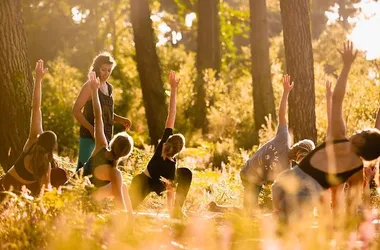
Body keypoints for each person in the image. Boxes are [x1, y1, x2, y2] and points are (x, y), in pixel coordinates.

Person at [271, 42, 380, 223]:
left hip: (284, 182)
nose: (357, 130)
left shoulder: (339, 138)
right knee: (290, 230)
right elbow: (346, 204)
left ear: (361, 141)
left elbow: (337, 100)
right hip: (305, 194)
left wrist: (346, 67)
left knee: (283, 225)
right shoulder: (356, 171)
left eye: (361, 131)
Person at [239, 75, 315, 211]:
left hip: (257, 181)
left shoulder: (288, 168)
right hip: (249, 172)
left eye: (302, 159)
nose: (299, 158)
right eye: (301, 154)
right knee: (249, 212)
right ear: (298, 148)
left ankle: (217, 207)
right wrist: (286, 92)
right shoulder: (283, 138)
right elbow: (282, 115)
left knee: (250, 211)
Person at [128, 71, 192, 218]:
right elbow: (170, 193)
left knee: (126, 208)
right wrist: (171, 212)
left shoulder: (162, 146)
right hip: (147, 183)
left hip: (143, 180)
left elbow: (172, 114)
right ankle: (178, 209)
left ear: (168, 141)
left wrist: (173, 89)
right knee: (186, 173)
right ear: (179, 150)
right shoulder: (171, 167)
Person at [0, 60, 67, 199]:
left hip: (4, 187)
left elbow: (36, 107)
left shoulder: (31, 142)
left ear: (40, 138)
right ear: (52, 149)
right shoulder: (46, 166)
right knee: (60, 174)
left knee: (59, 173)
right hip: (20, 194)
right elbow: (45, 193)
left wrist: (38, 79)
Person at [81, 71, 134, 220]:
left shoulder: (101, 145)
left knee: (122, 186)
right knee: (120, 185)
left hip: (83, 193)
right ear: (125, 155)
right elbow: (118, 201)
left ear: (114, 142)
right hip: (83, 198)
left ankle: (130, 216)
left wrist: (94, 90)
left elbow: (98, 116)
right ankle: (126, 218)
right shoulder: (114, 171)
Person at [73, 52, 131, 171]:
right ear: (97, 68)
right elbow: (76, 111)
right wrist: (90, 128)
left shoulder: (110, 88)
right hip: (88, 137)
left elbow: (107, 113)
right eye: (103, 69)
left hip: (106, 138)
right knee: (83, 172)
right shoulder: (90, 86)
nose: (107, 73)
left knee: (99, 172)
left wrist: (120, 119)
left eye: (109, 70)